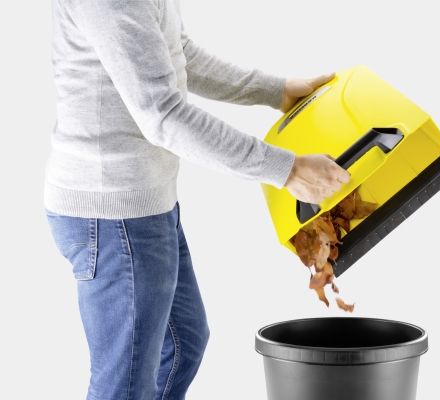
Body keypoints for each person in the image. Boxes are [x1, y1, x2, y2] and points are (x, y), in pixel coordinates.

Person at [44, 0, 349, 399]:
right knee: (126, 384)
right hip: (113, 216)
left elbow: (176, 51)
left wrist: (273, 91)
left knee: (183, 344)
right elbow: (164, 116)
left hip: (147, 207)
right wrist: (285, 169)